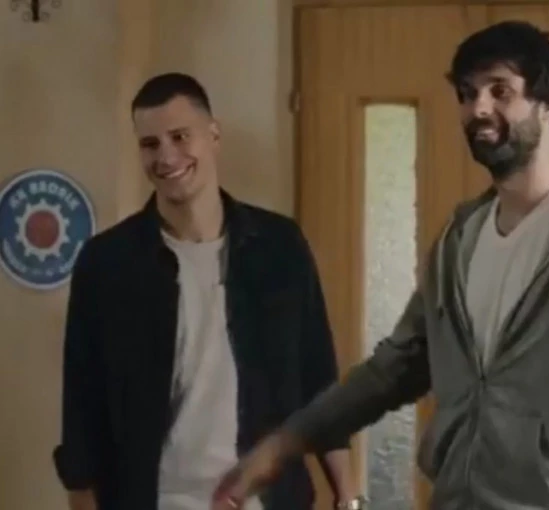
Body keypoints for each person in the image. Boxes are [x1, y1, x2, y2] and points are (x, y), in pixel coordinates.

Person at [211, 21, 549, 510]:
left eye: (500, 90)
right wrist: (282, 446)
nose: (478, 107)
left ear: (548, 103)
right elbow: (391, 371)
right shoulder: (460, 238)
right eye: (467, 93)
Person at [53, 73, 363, 510]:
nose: (166, 157)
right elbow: (83, 408)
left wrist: (348, 495)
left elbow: (318, 376)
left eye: (180, 137)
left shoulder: (280, 246)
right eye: (150, 144)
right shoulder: (107, 263)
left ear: (213, 136)